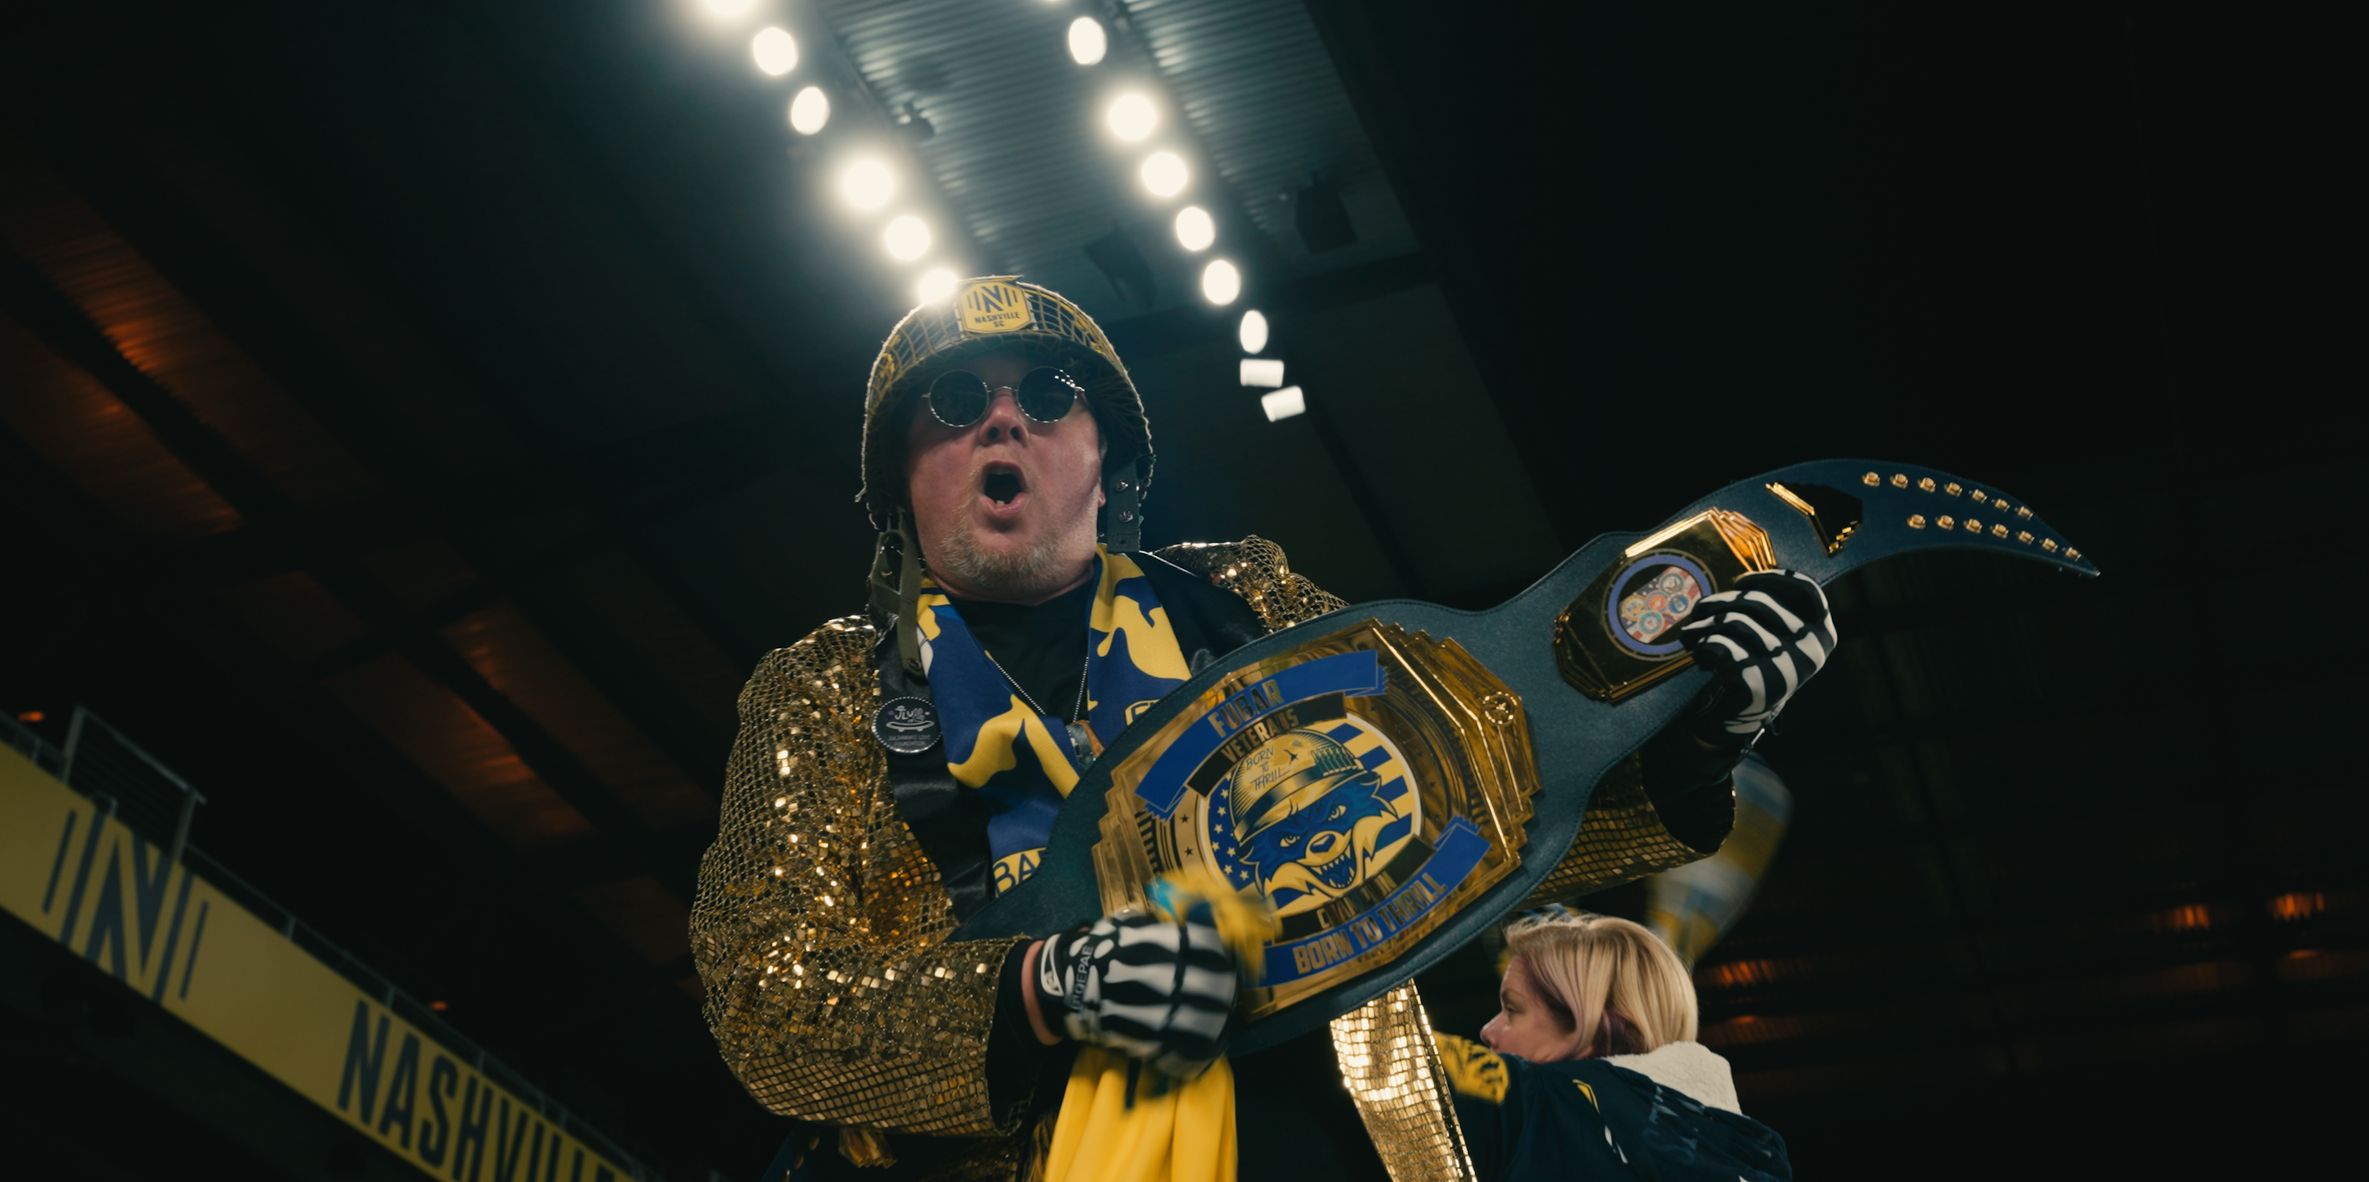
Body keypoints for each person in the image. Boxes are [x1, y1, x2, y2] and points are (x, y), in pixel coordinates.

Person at [686, 277, 1835, 1182]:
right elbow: (762, 999)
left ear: (1104, 454)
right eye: (952, 400)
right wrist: (1043, 986)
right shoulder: (820, 692)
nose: (1001, 417)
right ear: (899, 474)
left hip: (1319, 1140)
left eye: (1046, 394)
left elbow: (1471, 811)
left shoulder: (1242, 603)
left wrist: (1694, 740)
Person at [1440, 911, 1791, 1180]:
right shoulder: (1743, 1157)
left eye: (1513, 1009)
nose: (1487, 1030)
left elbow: (1417, 1059)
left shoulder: (1549, 1106)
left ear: (1592, 1031)